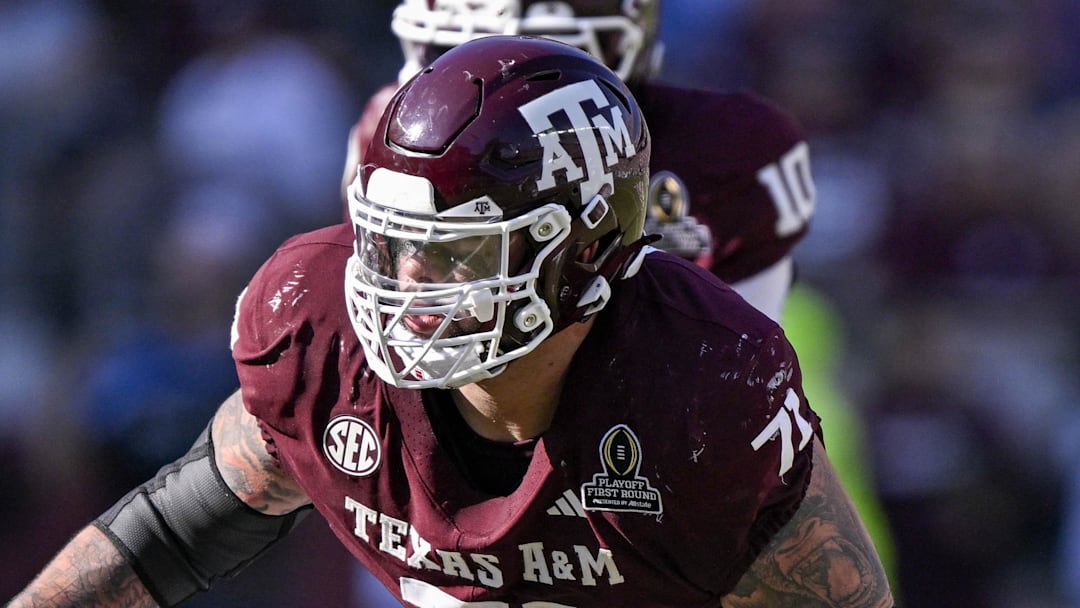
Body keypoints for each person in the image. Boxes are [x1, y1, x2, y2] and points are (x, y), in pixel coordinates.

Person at [11, 36, 891, 607]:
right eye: (391, 245)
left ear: (580, 252)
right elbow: (169, 535)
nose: (406, 282)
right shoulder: (322, 337)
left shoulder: (697, 390)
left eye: (457, 253)